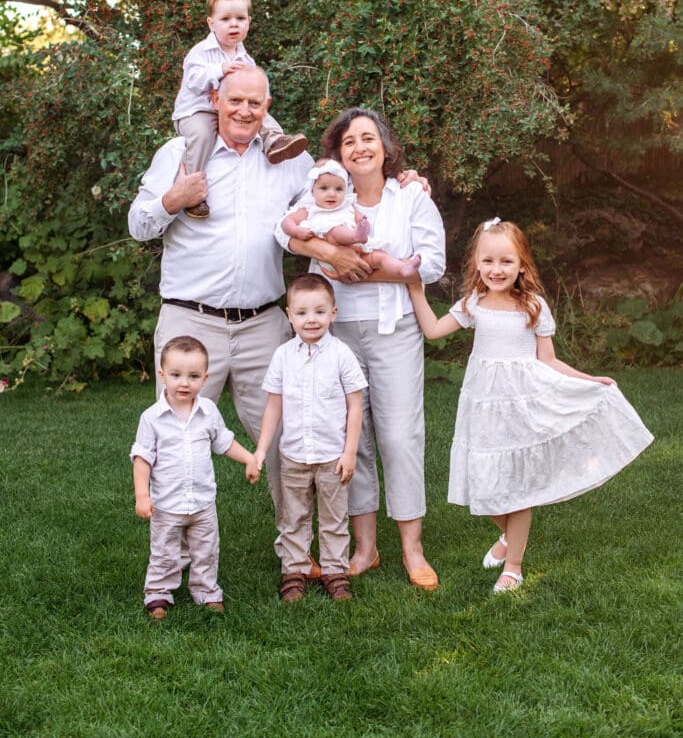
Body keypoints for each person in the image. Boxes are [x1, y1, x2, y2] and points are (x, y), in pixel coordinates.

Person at [129, 64, 317, 569]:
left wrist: (403, 182)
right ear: (216, 99)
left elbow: (334, 192)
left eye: (255, 103)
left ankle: (297, 555)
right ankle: (177, 562)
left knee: (284, 442)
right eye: (235, 100)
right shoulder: (180, 153)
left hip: (263, 324)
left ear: (267, 107)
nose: (244, 111)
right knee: (177, 440)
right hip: (191, 325)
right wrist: (175, 199)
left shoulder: (288, 160)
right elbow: (139, 223)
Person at [407, 217, 654, 593]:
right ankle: (508, 536)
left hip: (522, 405)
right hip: (483, 406)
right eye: (488, 261)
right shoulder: (474, 303)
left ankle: (514, 566)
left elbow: (549, 360)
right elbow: (433, 330)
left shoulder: (533, 306)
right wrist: (415, 291)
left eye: (506, 261)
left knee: (518, 488)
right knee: (482, 482)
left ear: (522, 264)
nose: (496, 269)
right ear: (477, 263)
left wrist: (590, 381)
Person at [276, 108, 446, 590]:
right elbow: (281, 231)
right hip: (338, 333)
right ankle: (365, 548)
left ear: (385, 148)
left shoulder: (410, 195)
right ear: (338, 154)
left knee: (399, 436)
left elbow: (431, 264)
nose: (359, 148)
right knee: (353, 438)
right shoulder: (325, 195)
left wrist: (370, 269)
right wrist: (327, 252)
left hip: (394, 330)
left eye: (368, 138)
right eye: (349, 142)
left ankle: (412, 549)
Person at [251, 273, 367, 603]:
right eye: (302, 313)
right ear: (289, 315)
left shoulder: (342, 354)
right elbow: (274, 406)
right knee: (294, 517)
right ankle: (296, 570)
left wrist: (349, 452)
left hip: (332, 456)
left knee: (333, 518)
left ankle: (334, 571)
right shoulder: (283, 356)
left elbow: (355, 406)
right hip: (294, 456)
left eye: (319, 311)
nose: (310, 319)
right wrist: (261, 450)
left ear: (334, 313)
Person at [131, 335, 260, 619]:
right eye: (176, 375)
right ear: (162, 375)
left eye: (193, 376)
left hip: (202, 502)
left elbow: (224, 441)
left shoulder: (208, 412)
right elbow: (142, 458)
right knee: (165, 552)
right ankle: (158, 593)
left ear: (204, 378)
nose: (184, 383)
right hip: (166, 504)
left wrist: (249, 458)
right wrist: (143, 495)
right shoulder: (152, 418)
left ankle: (205, 590)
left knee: (206, 551)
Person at [172, 0, 307, 217]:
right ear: (211, 23)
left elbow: (253, 92)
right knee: (202, 135)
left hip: (231, 110)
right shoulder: (201, 52)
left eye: (240, 18)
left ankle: (275, 142)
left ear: (248, 22)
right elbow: (194, 80)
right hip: (197, 111)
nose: (233, 24)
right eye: (225, 19)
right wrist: (220, 69)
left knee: (259, 112)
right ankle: (193, 191)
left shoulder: (245, 58)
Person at [280, 158, 422, 278]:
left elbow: (358, 216)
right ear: (312, 191)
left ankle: (402, 269)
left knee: (380, 256)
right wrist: (296, 231)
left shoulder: (346, 205)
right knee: (335, 231)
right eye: (324, 188)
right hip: (330, 250)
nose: (332, 194)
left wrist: (362, 221)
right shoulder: (309, 208)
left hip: (355, 253)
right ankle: (356, 236)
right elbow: (286, 222)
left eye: (338, 189)